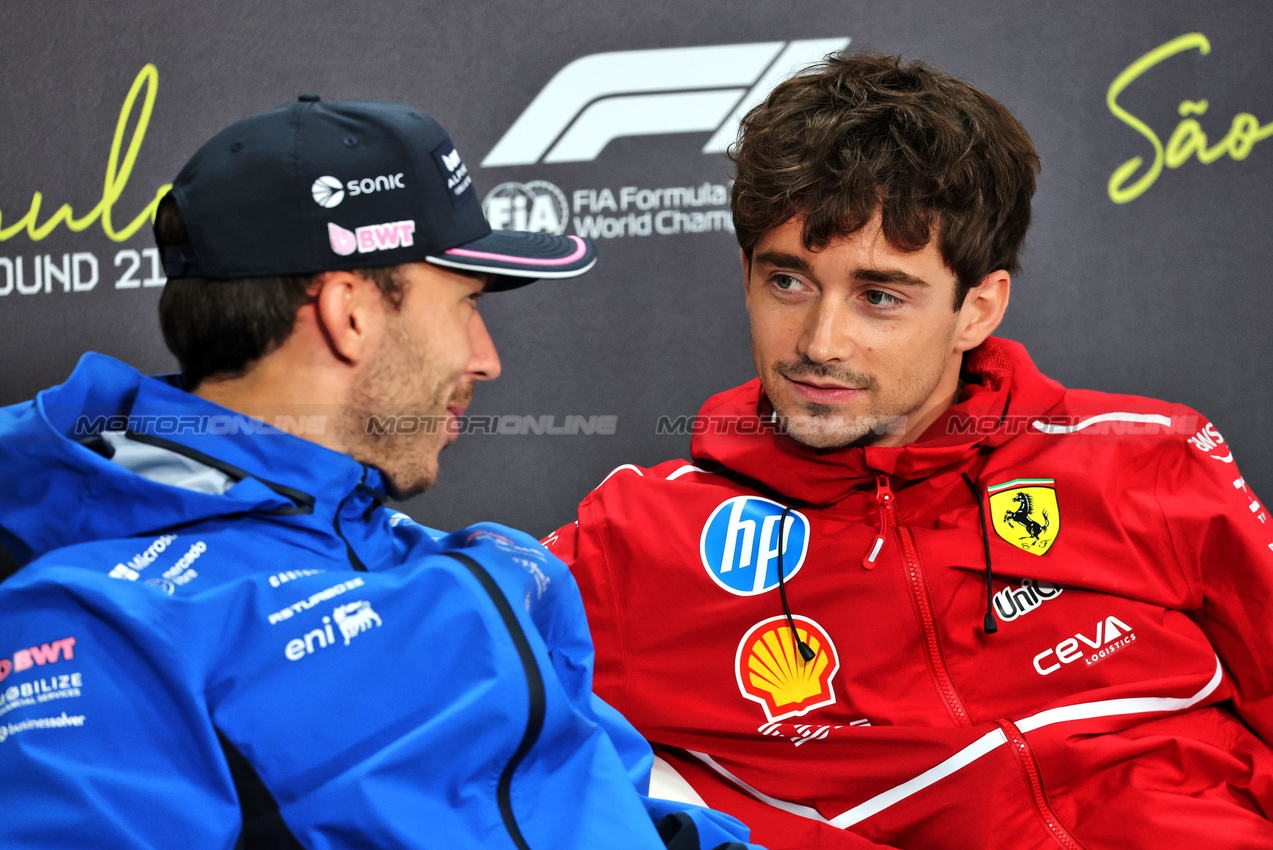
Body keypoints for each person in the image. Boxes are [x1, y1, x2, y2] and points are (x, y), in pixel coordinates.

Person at [544, 52, 1273, 849]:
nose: (819, 343)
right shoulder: (637, 541)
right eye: (787, 282)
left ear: (976, 309)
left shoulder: (1148, 457)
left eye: (879, 296)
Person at [0, 96, 760, 850]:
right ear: (349, 312)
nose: (485, 359)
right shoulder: (103, 622)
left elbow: (620, 806)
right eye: (464, 304)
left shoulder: (483, 565)